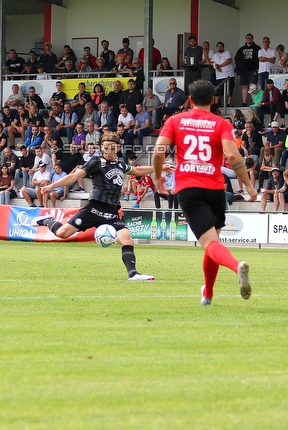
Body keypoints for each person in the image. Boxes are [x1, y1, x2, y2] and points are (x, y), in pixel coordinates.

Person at [153, 80, 257, 305]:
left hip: (189, 187)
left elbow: (159, 150)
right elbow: (232, 156)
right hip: (215, 188)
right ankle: (208, 293)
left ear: (190, 100)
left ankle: (236, 266)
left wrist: (157, 177)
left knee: (210, 244)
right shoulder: (220, 123)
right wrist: (248, 185)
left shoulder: (175, 120)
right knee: (213, 241)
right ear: (213, 100)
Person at [34, 133, 156, 281]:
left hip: (112, 212)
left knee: (127, 240)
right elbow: (74, 177)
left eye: (112, 148)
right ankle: (47, 220)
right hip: (94, 209)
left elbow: (136, 171)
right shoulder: (96, 162)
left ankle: (133, 274)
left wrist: (159, 167)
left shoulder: (120, 164)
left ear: (118, 148)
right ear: (102, 148)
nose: (108, 151)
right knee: (62, 233)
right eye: (105, 148)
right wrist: (52, 186)